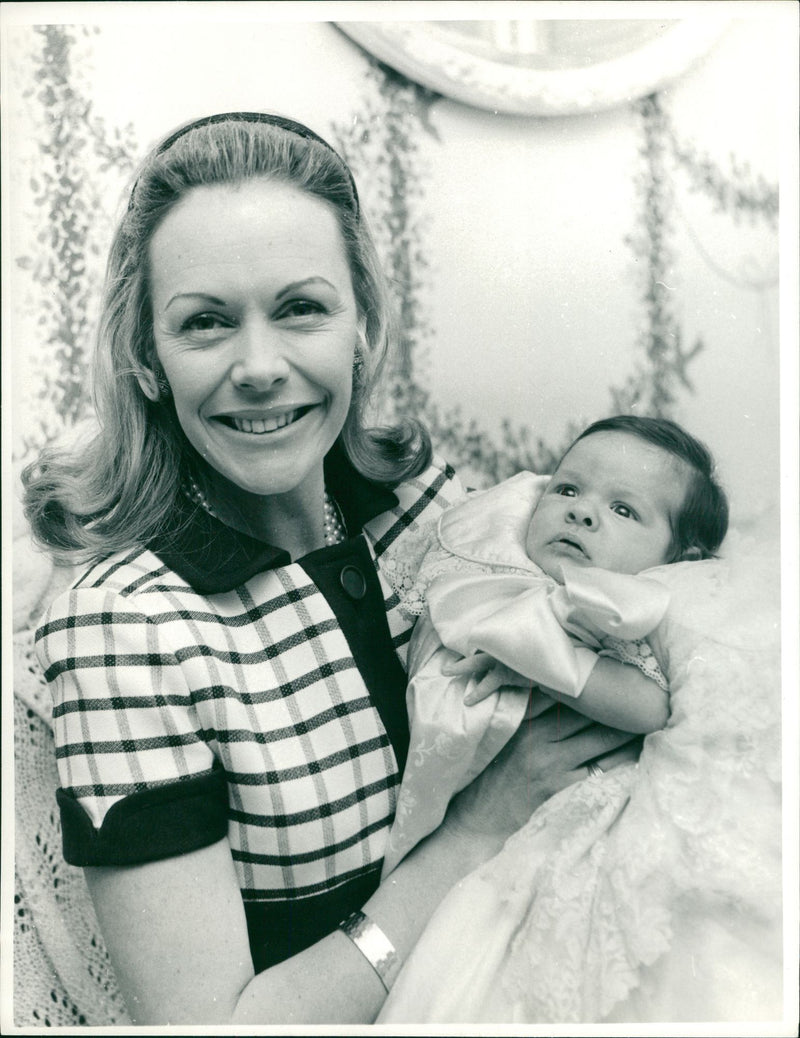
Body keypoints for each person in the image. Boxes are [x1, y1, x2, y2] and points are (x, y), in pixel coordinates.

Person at [21, 112, 637, 1026]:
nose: (260, 367)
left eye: (301, 307)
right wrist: (474, 832)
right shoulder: (123, 626)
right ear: (147, 359)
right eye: (205, 323)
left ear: (363, 323)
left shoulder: (430, 507)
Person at [375, 416, 783, 1023]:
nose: (582, 513)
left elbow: (652, 706)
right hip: (477, 818)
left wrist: (546, 665)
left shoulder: (629, 612)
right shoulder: (492, 576)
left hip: (581, 815)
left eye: (624, 511)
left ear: (678, 559)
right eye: (567, 490)